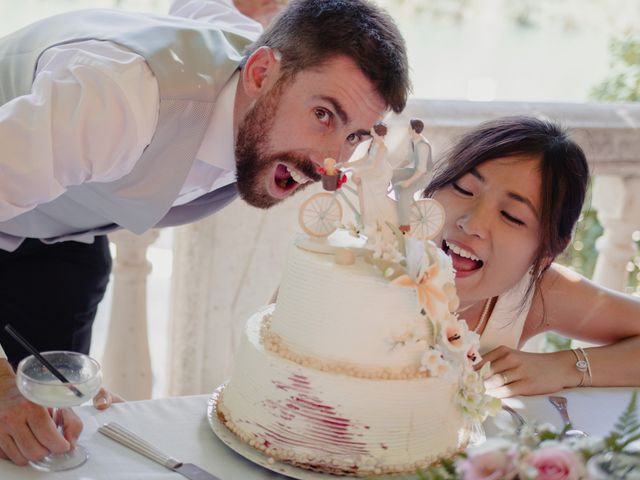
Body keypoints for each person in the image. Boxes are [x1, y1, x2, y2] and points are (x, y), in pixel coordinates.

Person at [0, 0, 410, 466]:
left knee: (44, 443)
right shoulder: (117, 102)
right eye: (323, 115)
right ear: (259, 74)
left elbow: (204, 9)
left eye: (355, 136)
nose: (329, 164)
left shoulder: (256, 57)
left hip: (64, 241)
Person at [424, 116, 640, 398]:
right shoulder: (375, 247)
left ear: (544, 254)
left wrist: (564, 367)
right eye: (464, 189)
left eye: (511, 216)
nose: (471, 223)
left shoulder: (535, 295)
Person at [343, 121, 398, 246]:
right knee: (361, 186)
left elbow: (375, 166)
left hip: (381, 173)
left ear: (378, 132)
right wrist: (348, 164)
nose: (371, 131)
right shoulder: (373, 143)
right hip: (373, 170)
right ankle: (366, 220)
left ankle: (379, 222)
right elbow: (365, 159)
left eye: (373, 130)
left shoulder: (383, 148)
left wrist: (360, 173)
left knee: (371, 193)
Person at [392, 118, 433, 233]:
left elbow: (421, 170)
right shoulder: (412, 140)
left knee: (405, 194)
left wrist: (407, 182)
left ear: (414, 129)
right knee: (393, 175)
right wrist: (394, 169)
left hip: (424, 175)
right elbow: (408, 158)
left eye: (409, 127)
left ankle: (405, 226)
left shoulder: (422, 146)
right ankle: (399, 204)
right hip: (415, 171)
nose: (408, 129)